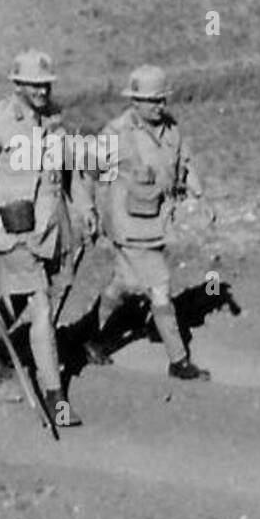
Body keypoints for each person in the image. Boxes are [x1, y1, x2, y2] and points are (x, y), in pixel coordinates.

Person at [0, 49, 97, 427]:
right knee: (41, 308)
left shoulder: (54, 121)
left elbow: (71, 170)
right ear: (17, 84)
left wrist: (85, 209)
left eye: (45, 84)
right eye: (33, 85)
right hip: (13, 231)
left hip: (49, 230)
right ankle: (56, 398)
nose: (40, 91)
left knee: (17, 299)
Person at [82, 64, 214, 380]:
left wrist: (199, 195)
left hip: (157, 222)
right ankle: (178, 360)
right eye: (153, 101)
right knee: (160, 287)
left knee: (125, 284)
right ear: (135, 102)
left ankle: (90, 337)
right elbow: (88, 170)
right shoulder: (117, 133)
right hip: (128, 224)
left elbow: (184, 163)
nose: (160, 106)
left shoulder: (171, 130)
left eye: (162, 100)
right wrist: (89, 209)